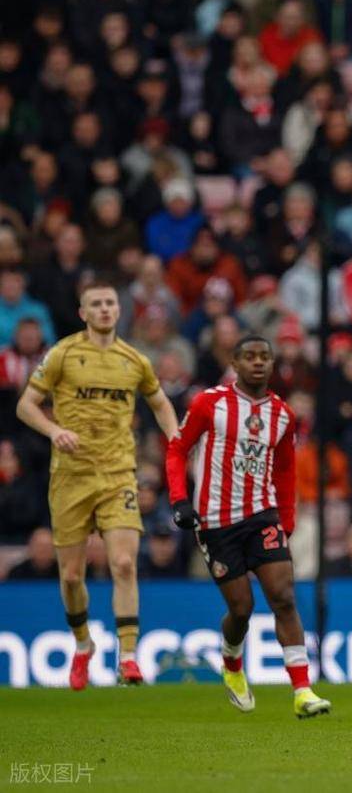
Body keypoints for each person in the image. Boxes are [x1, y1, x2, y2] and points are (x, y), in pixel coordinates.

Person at [15, 280, 181, 689]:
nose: (105, 309)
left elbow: (160, 403)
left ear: (118, 311)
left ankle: (128, 657)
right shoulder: (63, 354)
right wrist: (54, 431)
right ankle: (83, 643)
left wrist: (177, 442)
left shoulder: (134, 360)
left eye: (110, 303)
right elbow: (25, 406)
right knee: (72, 575)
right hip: (71, 476)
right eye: (97, 304)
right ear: (83, 313)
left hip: (118, 473)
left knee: (123, 562)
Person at [164, 333, 331, 718]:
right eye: (250, 356)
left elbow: (286, 471)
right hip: (216, 521)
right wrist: (179, 500)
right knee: (241, 609)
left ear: (272, 364)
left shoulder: (283, 415)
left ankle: (303, 691)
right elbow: (177, 450)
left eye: (264, 356)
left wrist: (286, 521)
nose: (258, 362)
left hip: (262, 515)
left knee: (283, 597)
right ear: (235, 364)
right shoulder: (209, 403)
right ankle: (232, 661)